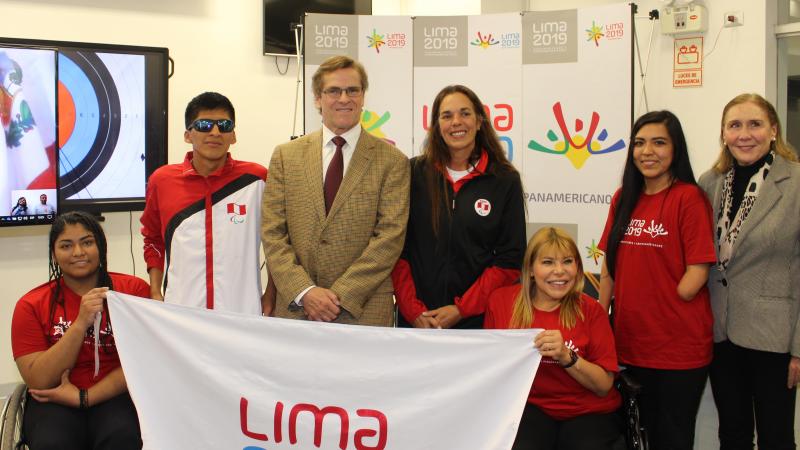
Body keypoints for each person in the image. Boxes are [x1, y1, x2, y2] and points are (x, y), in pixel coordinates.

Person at [598, 110, 716, 450]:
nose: (647, 151)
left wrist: (667, 296)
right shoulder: (624, 198)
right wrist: (599, 317)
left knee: (672, 439)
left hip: (678, 347)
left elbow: (697, 270)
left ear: (675, 149)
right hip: (629, 343)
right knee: (635, 437)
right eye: (639, 143)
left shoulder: (689, 198)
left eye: (659, 143)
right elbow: (609, 266)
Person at [261, 55, 409, 326]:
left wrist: (338, 297)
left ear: (363, 97)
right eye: (333, 91)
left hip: (363, 310)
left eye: (353, 90)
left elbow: (389, 237)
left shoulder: (392, 161)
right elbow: (273, 233)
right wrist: (305, 292)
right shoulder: (286, 156)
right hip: (297, 308)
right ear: (318, 98)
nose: (344, 98)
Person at [698, 93, 799, 450]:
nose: (745, 134)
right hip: (721, 330)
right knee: (733, 435)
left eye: (755, 124)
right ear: (723, 134)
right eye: (734, 125)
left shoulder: (796, 184)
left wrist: (799, 348)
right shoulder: (708, 183)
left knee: (777, 438)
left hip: (775, 337)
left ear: (773, 130)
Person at [11, 211, 149, 449]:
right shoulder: (30, 304)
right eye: (66, 245)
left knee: (122, 438)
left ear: (101, 247)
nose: (78, 253)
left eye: (87, 242)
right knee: (53, 443)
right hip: (53, 399)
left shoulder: (133, 291)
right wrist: (80, 322)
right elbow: (38, 380)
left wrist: (85, 397)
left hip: (115, 395)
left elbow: (145, 362)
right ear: (54, 254)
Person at [391, 84, 525, 329]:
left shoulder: (504, 180)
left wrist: (462, 309)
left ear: (479, 121)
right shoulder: (412, 173)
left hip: (476, 321)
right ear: (435, 125)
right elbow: (398, 250)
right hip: (417, 321)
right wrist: (413, 310)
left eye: (465, 113)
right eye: (446, 115)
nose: (456, 122)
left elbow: (510, 260)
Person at [485, 227, 621, 450]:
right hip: (530, 408)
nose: (560, 271)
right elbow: (491, 369)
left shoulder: (591, 311)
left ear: (577, 267)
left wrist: (567, 357)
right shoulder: (501, 303)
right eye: (548, 262)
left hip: (587, 411)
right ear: (530, 269)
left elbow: (604, 386)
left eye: (567, 261)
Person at [141, 92, 275, 315]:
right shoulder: (162, 180)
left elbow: (277, 241)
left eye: (224, 125)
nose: (215, 132)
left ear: (233, 135)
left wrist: (271, 294)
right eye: (204, 125)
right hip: (182, 311)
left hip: (242, 312)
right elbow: (153, 238)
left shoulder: (257, 179)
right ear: (187, 135)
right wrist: (155, 292)